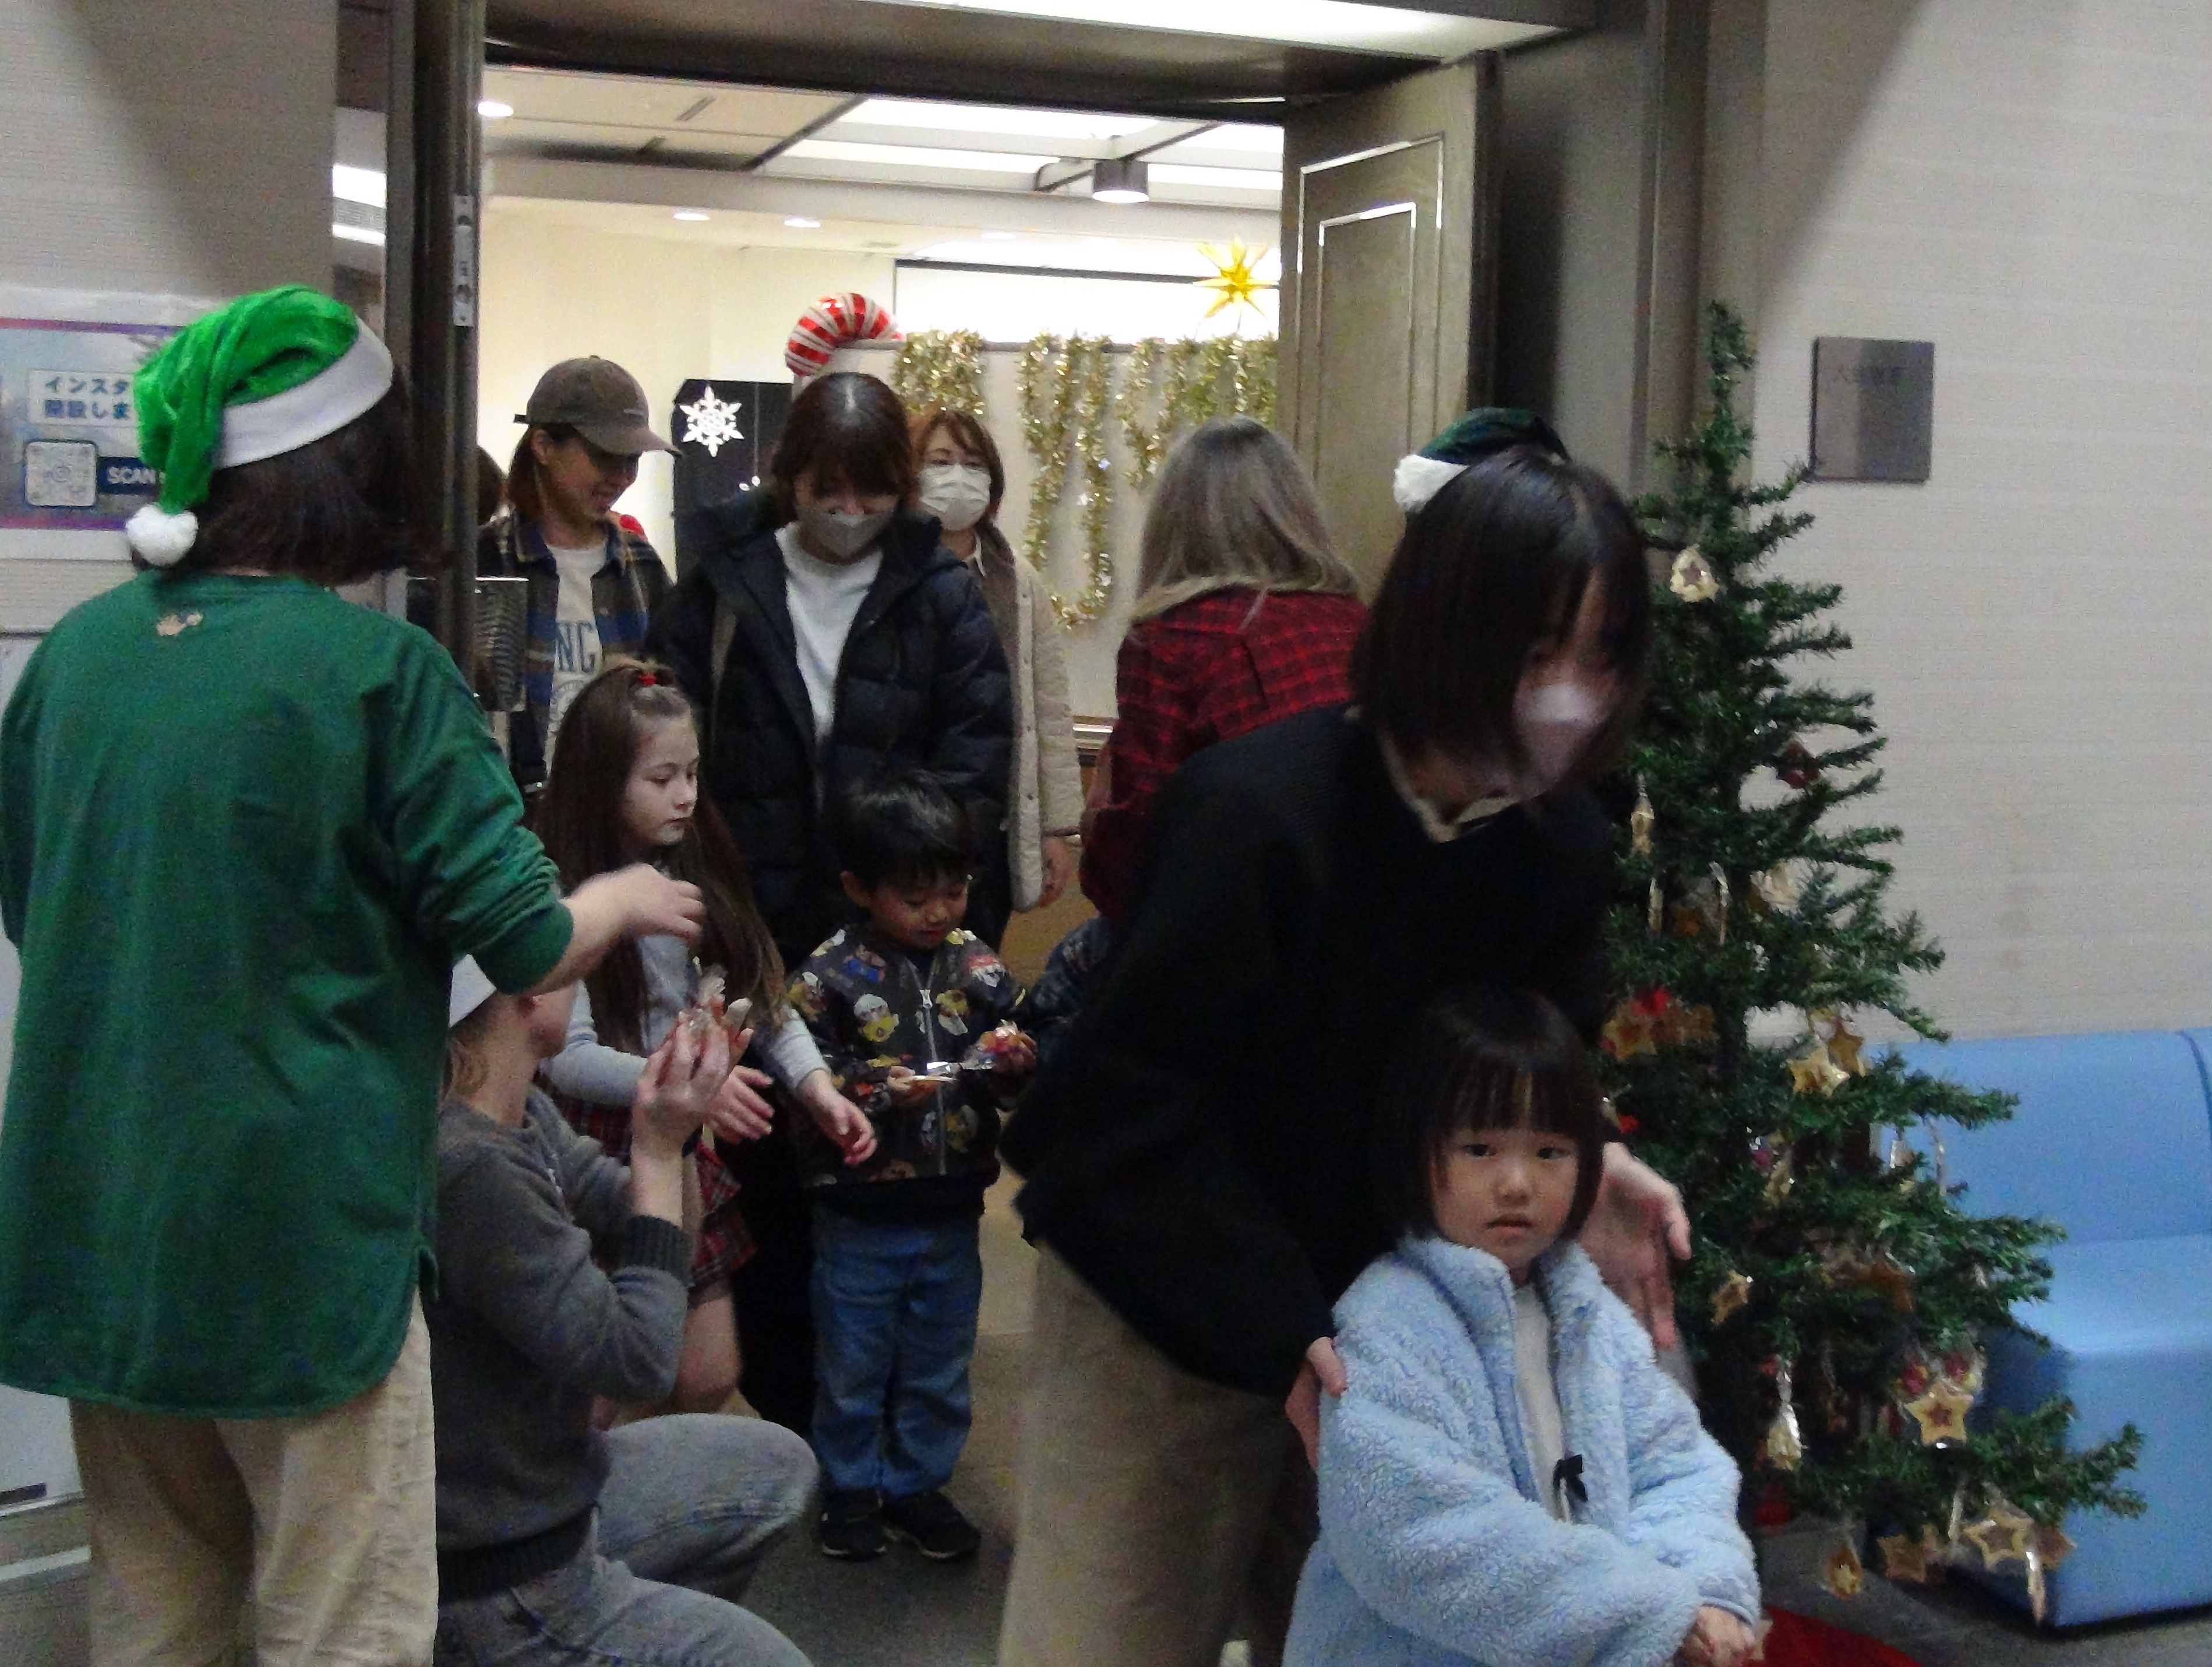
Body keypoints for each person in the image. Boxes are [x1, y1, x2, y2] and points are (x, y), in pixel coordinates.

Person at [0, 286, 704, 1666]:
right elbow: (523, 938)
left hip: (102, 1228)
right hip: (301, 1247)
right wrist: (620, 894)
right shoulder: (378, 674)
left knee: (157, 1611)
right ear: (354, 463)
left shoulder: (77, 658)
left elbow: (45, 907)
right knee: (338, 1623)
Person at [997, 431, 1694, 1667]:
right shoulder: (1257, 812)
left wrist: (1587, 1158)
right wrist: (1276, 1328)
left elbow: (1509, 1070)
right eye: (1537, 651)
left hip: (1386, 1338)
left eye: (1600, 656)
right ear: (1443, 631)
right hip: (1161, 1308)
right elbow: (1118, 1118)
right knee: (1108, 1627)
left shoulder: (1558, 848)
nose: (1569, 695)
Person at [649, 369, 1012, 1433]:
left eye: (872, 491)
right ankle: (796, 1411)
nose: (849, 512)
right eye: (827, 489)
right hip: (750, 926)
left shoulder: (940, 593)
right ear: (789, 477)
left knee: (887, 1177)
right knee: (763, 1167)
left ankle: (887, 1421)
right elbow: (668, 738)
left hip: (891, 940)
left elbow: (976, 761)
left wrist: (912, 890)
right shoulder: (723, 580)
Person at [1283, 986, 1758, 1667]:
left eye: (1549, 1152)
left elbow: (1677, 1467)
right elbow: (1417, 1534)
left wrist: (1705, 1588)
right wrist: (1644, 1609)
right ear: (1415, 1153)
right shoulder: (1385, 1324)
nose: (1516, 1183)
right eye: (1479, 1148)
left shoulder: (1590, 1315)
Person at [431, 957, 817, 1667]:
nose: (585, 973)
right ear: (524, 990)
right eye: (573, 955)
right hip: (506, 1578)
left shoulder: (521, 1110)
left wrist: (680, 1132)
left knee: (776, 1464)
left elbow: (653, 1228)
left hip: (553, 1502)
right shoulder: (470, 1163)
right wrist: (657, 1150)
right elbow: (639, 1360)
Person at [533, 658, 876, 1415]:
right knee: (606, 1391)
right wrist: (687, 1088)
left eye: (691, 773)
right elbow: (569, 1059)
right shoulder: (563, 889)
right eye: (662, 778)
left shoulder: (698, 859)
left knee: (709, 1371)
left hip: (678, 1133)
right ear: (600, 781)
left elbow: (762, 996)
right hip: (596, 1145)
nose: (685, 794)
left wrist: (816, 1088)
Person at [786, 776, 1033, 1563]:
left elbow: (1015, 1043)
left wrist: (1013, 1059)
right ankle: (849, 1488)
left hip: (953, 1206)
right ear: (860, 887)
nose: (938, 912)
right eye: (915, 896)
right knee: (852, 1363)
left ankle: (917, 1484)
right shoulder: (827, 974)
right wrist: (870, 1088)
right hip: (857, 1209)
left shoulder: (977, 964)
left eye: (953, 891)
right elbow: (799, 1072)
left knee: (939, 1360)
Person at [1078, 416, 1367, 925]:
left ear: (1174, 521)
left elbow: (1136, 857)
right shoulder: (1353, 621)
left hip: (1243, 924)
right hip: (1363, 916)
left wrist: (1094, 827)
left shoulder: (1172, 638)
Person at [912, 403, 1082, 946]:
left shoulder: (1017, 580)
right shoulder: (891, 570)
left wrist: (1056, 828)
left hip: (994, 825)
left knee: (978, 967)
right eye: (940, 461)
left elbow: (1048, 706)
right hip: (909, 817)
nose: (957, 475)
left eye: (972, 463)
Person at [482, 355, 676, 792]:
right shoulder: (488, 560)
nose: (622, 477)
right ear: (544, 446)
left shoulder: (642, 565)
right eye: (606, 456)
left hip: (618, 810)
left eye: (632, 460)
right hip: (511, 812)